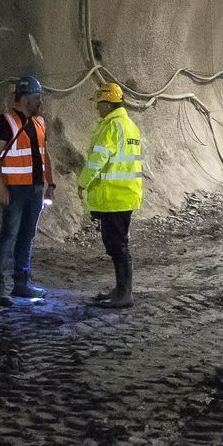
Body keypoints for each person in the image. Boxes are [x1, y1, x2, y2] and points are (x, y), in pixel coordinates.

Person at [0, 76, 55, 303]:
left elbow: (44, 155)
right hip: (14, 190)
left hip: (35, 189)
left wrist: (50, 183)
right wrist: (1, 187)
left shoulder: (39, 122)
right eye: (37, 97)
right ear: (24, 98)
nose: (40, 102)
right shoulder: (5, 122)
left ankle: (21, 284)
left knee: (27, 235)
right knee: (8, 235)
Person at [75, 82, 143, 308]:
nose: (97, 108)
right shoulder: (129, 125)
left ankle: (124, 294)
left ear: (107, 103)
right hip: (124, 195)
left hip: (114, 197)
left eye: (98, 104)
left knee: (117, 245)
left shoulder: (112, 127)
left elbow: (98, 159)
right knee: (117, 244)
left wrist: (83, 183)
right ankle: (120, 290)